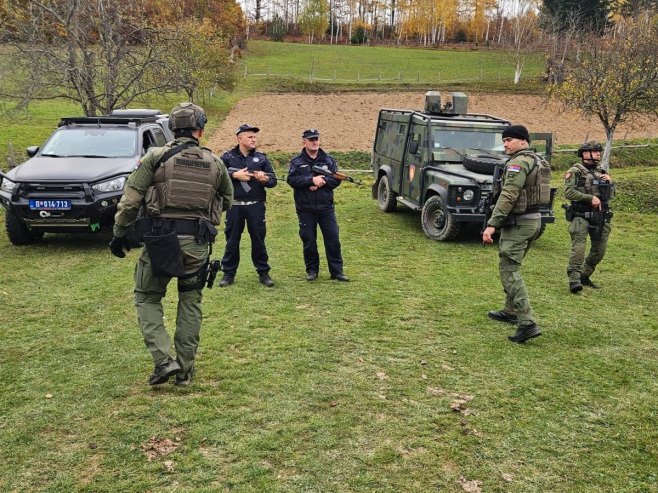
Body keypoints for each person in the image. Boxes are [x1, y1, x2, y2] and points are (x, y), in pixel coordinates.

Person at [109, 102, 233, 386]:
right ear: (200, 130)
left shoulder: (156, 157)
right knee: (190, 301)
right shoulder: (216, 162)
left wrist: (119, 233)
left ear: (172, 129)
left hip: (160, 241)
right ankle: (186, 370)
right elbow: (227, 199)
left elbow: (130, 200)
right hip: (198, 242)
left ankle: (164, 361)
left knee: (147, 297)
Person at [482, 124, 551, 343]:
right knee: (513, 265)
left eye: (509, 140)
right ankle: (510, 311)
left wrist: (493, 223)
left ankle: (527, 322)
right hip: (533, 220)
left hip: (520, 223)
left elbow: (509, 194)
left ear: (523, 141)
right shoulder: (538, 160)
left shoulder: (518, 163)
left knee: (509, 270)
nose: (505, 144)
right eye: (503, 140)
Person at [218, 124, 277, 288]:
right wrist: (233, 175)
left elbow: (273, 181)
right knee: (232, 241)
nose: (254, 139)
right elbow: (217, 176)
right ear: (240, 138)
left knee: (259, 240)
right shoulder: (227, 158)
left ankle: (263, 272)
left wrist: (265, 180)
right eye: (250, 136)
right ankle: (228, 274)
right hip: (234, 206)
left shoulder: (261, 158)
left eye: (255, 137)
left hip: (255, 205)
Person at [287, 129, 349, 282]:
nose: (314, 142)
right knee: (309, 240)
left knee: (333, 239)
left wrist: (322, 182)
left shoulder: (328, 160)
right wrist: (310, 180)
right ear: (304, 142)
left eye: (316, 139)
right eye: (311, 139)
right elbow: (292, 180)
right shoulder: (296, 162)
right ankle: (312, 270)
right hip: (305, 208)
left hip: (326, 208)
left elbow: (336, 179)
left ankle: (337, 272)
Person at [563, 140, 613, 293]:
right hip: (581, 215)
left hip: (600, 216)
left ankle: (584, 276)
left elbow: (610, 196)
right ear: (585, 154)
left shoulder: (602, 172)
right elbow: (568, 192)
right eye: (595, 151)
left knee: (599, 250)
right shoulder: (576, 171)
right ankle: (574, 280)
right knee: (578, 249)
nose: (598, 153)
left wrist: (609, 184)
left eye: (599, 151)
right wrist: (589, 198)